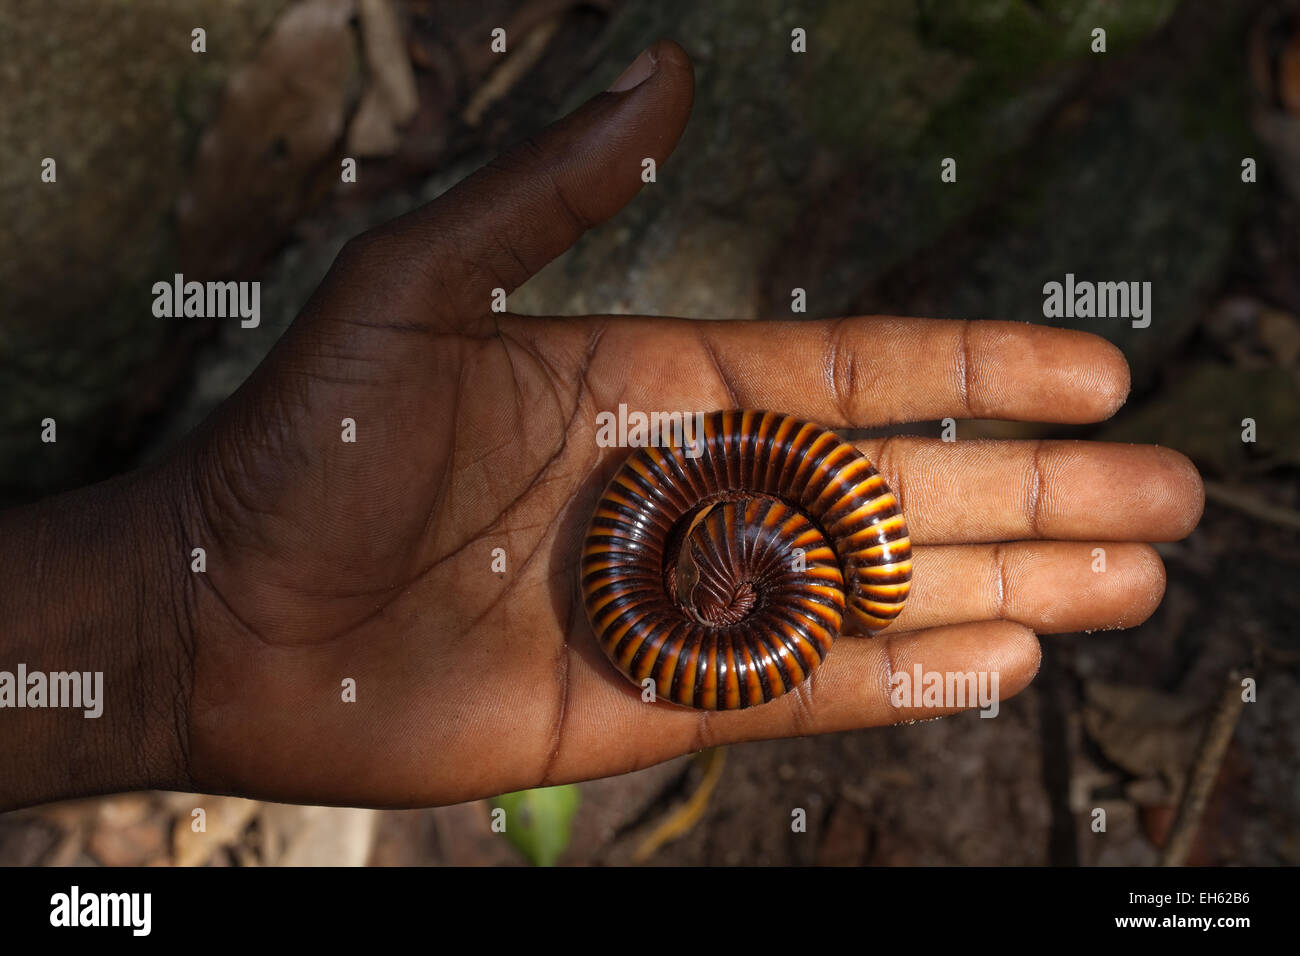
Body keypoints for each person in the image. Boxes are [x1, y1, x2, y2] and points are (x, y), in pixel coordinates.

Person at [0, 41, 1202, 812]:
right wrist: (169, 629)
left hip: (720, 552)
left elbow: (788, 557)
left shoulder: (717, 528)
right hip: (717, 555)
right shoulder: (717, 536)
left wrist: (168, 624)